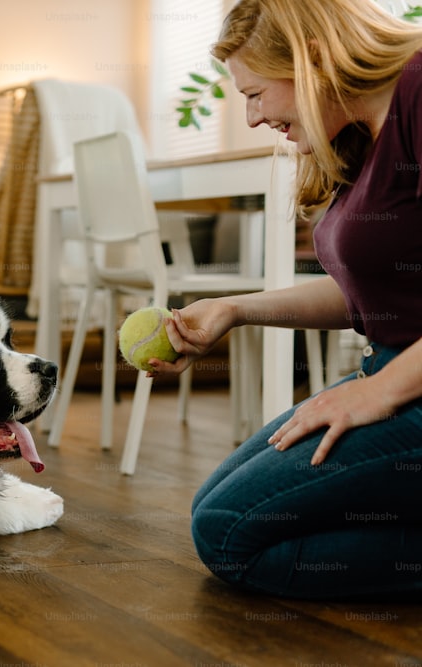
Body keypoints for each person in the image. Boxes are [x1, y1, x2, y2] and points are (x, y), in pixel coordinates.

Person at [149, 0, 422, 599]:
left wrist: (375, 392)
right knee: (217, 504)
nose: (251, 118)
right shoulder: (361, 135)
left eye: (255, 94)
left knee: (228, 534)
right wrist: (235, 310)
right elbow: (369, 295)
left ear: (312, 60)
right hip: (394, 370)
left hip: (404, 383)